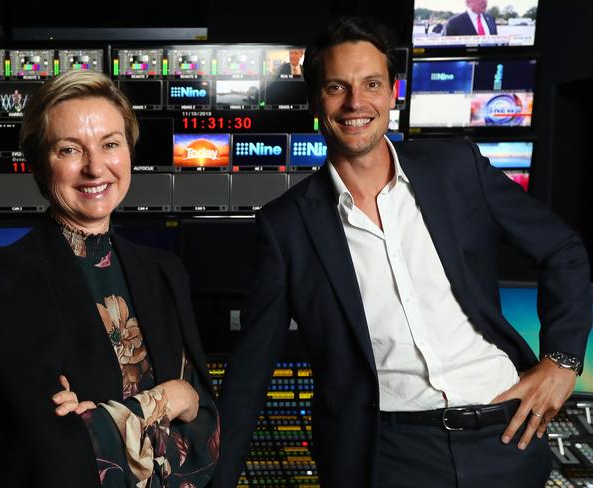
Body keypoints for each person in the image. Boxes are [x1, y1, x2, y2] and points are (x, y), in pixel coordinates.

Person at [215, 16, 591, 488]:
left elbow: (564, 248)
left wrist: (563, 362)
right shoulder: (285, 225)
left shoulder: (457, 168)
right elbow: (252, 369)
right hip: (389, 456)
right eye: (337, 87)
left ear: (393, 91)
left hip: (506, 437)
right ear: (316, 101)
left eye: (371, 83)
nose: (356, 103)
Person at [0, 70, 219, 488]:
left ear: (129, 151)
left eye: (110, 144)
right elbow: (52, 453)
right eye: (70, 149)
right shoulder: (5, 275)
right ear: (38, 164)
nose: (95, 167)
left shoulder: (163, 271)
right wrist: (169, 398)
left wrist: (104, 418)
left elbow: (208, 428)